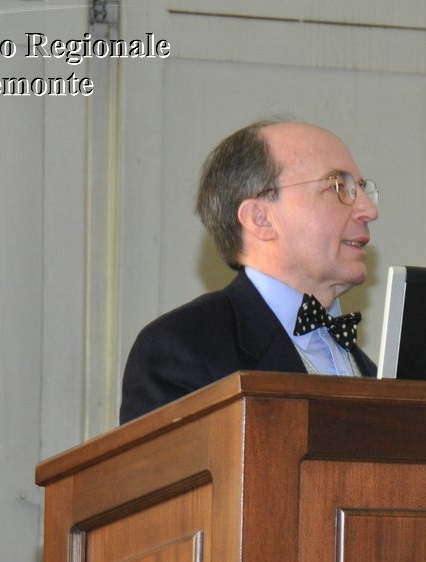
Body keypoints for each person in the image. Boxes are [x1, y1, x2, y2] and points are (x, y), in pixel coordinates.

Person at [119, 120, 380, 422]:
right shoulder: (181, 349)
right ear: (260, 219)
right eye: (337, 187)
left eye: (361, 189)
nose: (369, 211)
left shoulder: (377, 371)